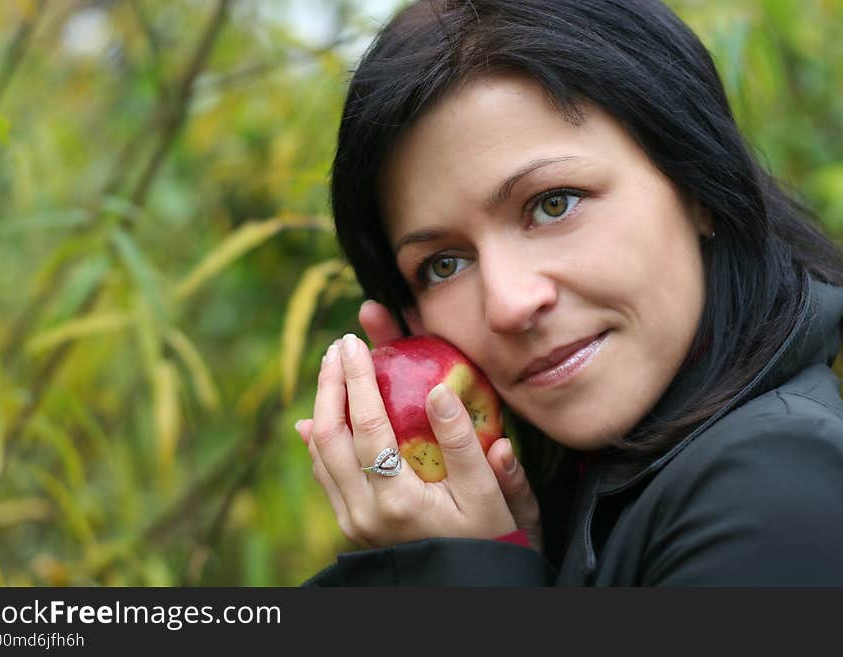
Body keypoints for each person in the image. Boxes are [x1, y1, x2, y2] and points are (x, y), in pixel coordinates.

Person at [294, 0, 843, 585]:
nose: (509, 304)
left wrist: (458, 579)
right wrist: (511, 557)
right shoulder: (596, 492)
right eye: (444, 264)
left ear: (697, 184)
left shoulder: (776, 493)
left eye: (554, 203)